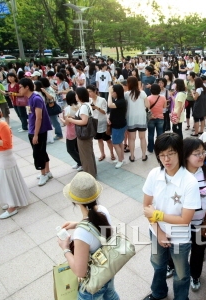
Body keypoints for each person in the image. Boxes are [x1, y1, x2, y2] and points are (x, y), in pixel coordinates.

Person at [142, 133, 201, 300]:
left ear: (180, 153)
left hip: (179, 236)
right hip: (155, 231)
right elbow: (146, 207)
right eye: (161, 155)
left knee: (181, 273)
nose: (166, 159)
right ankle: (158, 292)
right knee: (158, 265)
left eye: (171, 153)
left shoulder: (189, 182)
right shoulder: (154, 174)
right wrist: (159, 232)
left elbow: (185, 219)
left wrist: (157, 214)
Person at [166, 137, 206, 291]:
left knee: (198, 251)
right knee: (175, 248)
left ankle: (195, 275)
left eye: (203, 152)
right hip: (180, 222)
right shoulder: (176, 173)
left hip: (201, 222)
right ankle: (170, 265)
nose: (202, 156)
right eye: (197, 153)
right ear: (185, 155)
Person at [57, 172, 120, 300]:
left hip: (93, 283)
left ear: (74, 201)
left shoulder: (81, 234)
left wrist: (65, 248)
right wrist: (77, 224)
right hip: (107, 271)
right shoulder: (102, 210)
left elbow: (80, 271)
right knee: (110, 295)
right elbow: (95, 228)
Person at [19, 78, 53, 186]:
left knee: (38, 153)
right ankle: (47, 172)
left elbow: (39, 118)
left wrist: (36, 134)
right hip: (33, 129)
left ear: (27, 87)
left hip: (38, 130)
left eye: (20, 87)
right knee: (42, 151)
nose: (19, 89)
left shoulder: (36, 98)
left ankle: (43, 174)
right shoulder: (30, 98)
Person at [65, 87, 97, 177]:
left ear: (80, 96)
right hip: (87, 134)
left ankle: (90, 175)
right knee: (89, 154)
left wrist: (71, 120)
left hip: (83, 134)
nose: (75, 96)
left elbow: (84, 121)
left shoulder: (83, 107)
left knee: (85, 156)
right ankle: (92, 172)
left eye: (76, 94)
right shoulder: (87, 105)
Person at [87, 85, 115, 162]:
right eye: (87, 92)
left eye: (90, 91)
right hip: (94, 123)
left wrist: (96, 107)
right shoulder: (89, 100)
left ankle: (112, 153)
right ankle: (102, 154)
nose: (89, 93)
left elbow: (104, 111)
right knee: (99, 139)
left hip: (102, 122)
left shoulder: (102, 100)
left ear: (95, 91)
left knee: (107, 139)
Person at [125, 76, 149, 161]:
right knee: (142, 137)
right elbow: (147, 105)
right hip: (141, 117)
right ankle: (143, 155)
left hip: (131, 118)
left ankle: (132, 156)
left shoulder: (126, 94)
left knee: (132, 139)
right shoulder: (142, 93)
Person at [59, 91, 82, 171]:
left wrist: (60, 117)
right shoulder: (80, 106)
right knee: (77, 147)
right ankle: (80, 163)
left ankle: (80, 162)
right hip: (79, 129)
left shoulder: (67, 109)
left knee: (70, 149)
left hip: (71, 131)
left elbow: (66, 122)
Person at [107, 84, 127, 168]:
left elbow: (109, 105)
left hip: (118, 126)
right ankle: (121, 158)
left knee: (115, 143)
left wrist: (109, 93)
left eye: (113, 92)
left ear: (117, 92)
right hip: (118, 124)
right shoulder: (118, 100)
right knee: (120, 143)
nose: (112, 94)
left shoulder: (121, 101)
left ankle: (120, 160)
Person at [147, 84, 166, 153]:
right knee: (160, 134)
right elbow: (164, 106)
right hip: (160, 117)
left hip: (151, 118)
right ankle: (159, 148)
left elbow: (147, 108)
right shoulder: (163, 97)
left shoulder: (148, 98)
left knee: (150, 134)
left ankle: (150, 148)